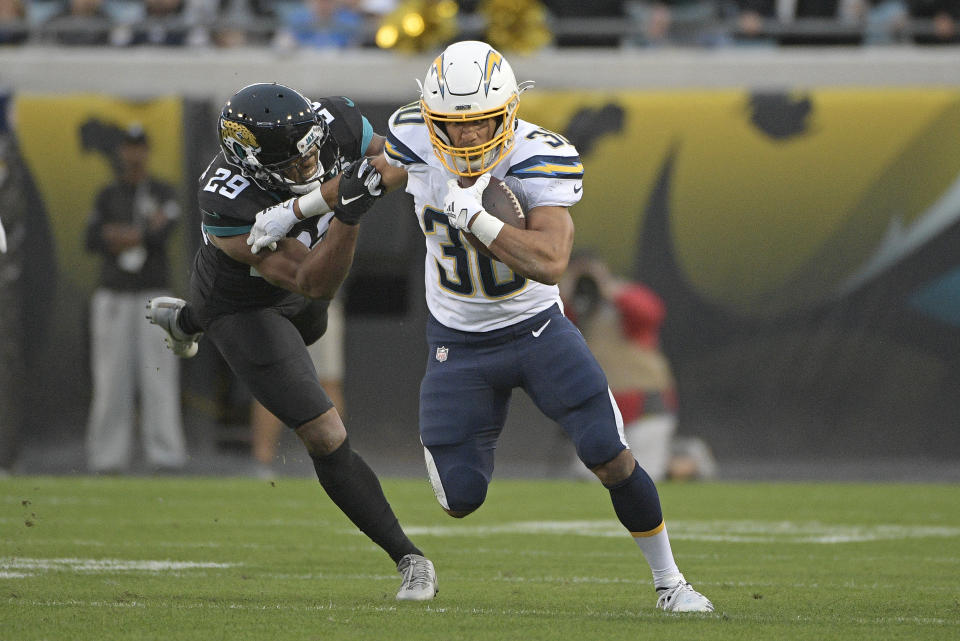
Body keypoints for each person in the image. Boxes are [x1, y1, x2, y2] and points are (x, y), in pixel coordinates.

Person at [247, 40, 713, 612]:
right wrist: (290, 213)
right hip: (458, 343)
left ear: (508, 113)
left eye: (479, 123)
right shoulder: (415, 135)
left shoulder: (540, 154)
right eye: (451, 124)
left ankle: (671, 583)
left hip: (538, 327)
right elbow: (372, 178)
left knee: (609, 454)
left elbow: (550, 260)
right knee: (459, 498)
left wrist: (481, 220)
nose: (465, 137)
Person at [145, 82, 437, 601]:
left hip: (305, 304)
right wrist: (346, 210)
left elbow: (398, 161)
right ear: (251, 165)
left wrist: (308, 204)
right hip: (248, 303)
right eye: (294, 164)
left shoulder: (337, 123)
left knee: (315, 330)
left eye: (312, 151)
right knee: (325, 433)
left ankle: (186, 321)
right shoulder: (225, 197)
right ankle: (410, 558)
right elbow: (313, 282)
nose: (310, 164)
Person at [84, 124, 188, 474]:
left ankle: (165, 454)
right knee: (111, 376)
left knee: (160, 373)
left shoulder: (161, 190)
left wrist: (124, 234)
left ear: (147, 150)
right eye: (129, 147)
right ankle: (107, 456)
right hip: (114, 291)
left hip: (154, 292)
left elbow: (162, 233)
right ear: (121, 151)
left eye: (139, 146)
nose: (134, 153)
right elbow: (92, 238)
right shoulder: (107, 193)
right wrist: (136, 233)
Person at [559, 253, 678, 482]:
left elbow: (650, 313)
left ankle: (682, 465)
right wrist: (566, 291)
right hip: (600, 405)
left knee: (646, 473)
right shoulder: (572, 308)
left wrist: (607, 289)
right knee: (591, 476)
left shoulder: (627, 295)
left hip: (645, 401)